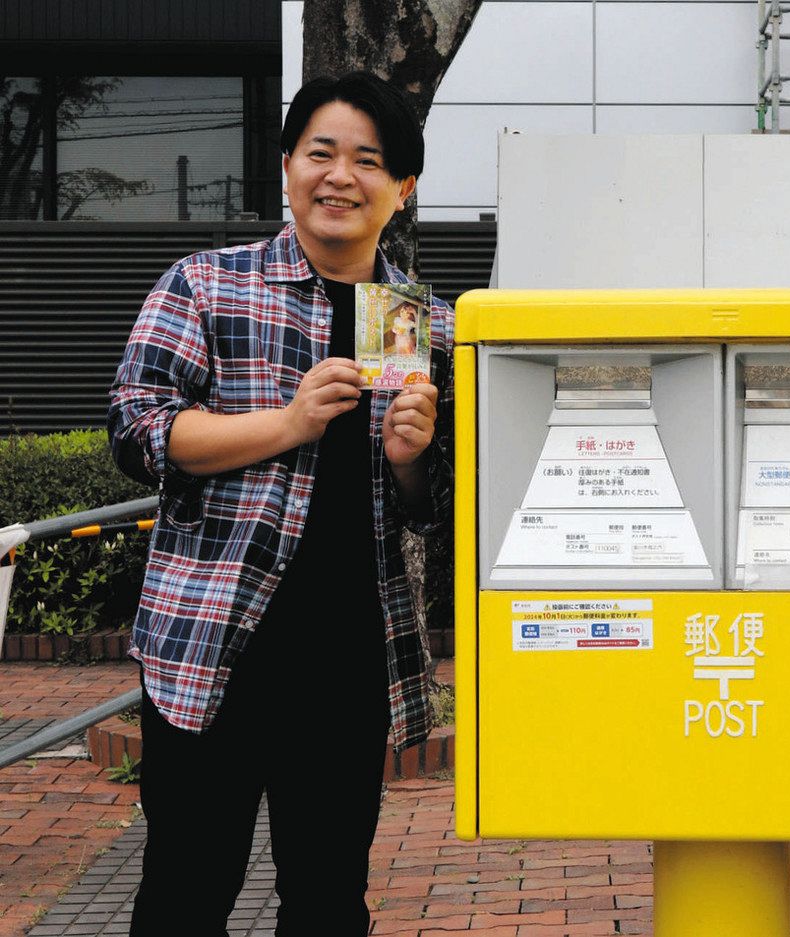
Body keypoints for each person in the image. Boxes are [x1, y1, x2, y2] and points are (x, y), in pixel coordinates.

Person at [108, 71, 453, 936]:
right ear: (288, 167)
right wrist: (289, 422)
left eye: (369, 161)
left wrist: (413, 461)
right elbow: (137, 428)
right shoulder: (206, 285)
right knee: (185, 893)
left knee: (330, 901)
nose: (341, 177)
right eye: (321, 153)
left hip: (347, 659)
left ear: (402, 188)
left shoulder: (425, 324)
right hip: (212, 649)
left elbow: (430, 509)